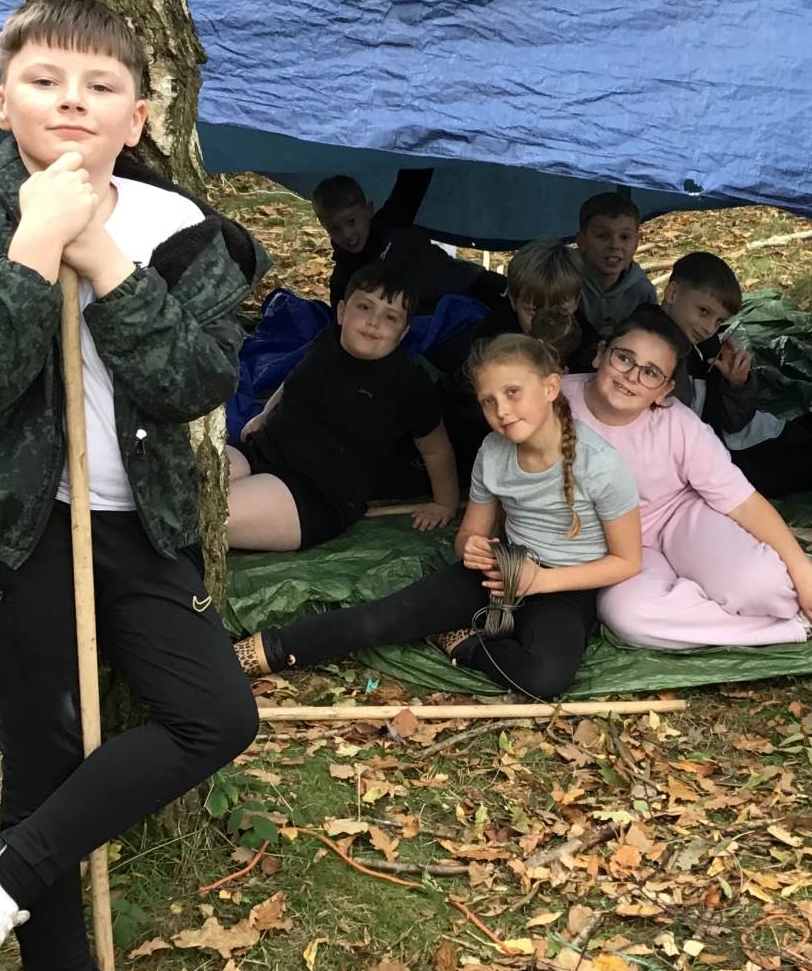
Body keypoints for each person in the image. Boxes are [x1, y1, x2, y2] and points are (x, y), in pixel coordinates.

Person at [0, 0, 263, 971]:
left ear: (138, 116)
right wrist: (33, 243)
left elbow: (197, 378)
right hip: (14, 529)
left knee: (215, 715)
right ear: (1, 102)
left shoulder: (183, 228)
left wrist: (102, 256)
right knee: (47, 748)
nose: (72, 100)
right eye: (46, 80)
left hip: (141, 523)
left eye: (101, 85)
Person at [235, 334, 640, 700]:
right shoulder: (492, 452)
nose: (501, 410)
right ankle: (261, 651)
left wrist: (543, 581)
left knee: (545, 678)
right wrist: (473, 548)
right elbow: (469, 536)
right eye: (488, 401)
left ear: (550, 387)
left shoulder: (600, 464)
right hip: (502, 569)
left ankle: (465, 644)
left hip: (564, 584)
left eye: (513, 393)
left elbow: (627, 560)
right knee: (382, 619)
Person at [567, 306, 812, 649]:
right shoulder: (553, 402)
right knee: (630, 617)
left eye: (651, 372)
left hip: (679, 518)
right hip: (619, 548)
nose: (632, 376)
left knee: (762, 588)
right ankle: (796, 623)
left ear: (665, 390)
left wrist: (803, 575)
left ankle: (798, 574)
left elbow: (745, 504)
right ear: (600, 354)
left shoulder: (679, 425)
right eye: (624, 358)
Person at [229, 262, 458, 550]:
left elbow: (436, 449)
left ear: (402, 333)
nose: (374, 322)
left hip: (313, 494)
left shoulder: (408, 383)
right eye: (364, 307)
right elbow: (294, 379)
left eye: (390, 317)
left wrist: (445, 503)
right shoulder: (327, 340)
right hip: (261, 451)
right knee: (184, 484)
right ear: (341, 312)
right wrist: (264, 414)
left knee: (204, 514)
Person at [662, 251, 812, 496]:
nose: (708, 328)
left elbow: (733, 417)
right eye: (704, 311)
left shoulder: (699, 344)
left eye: (719, 322)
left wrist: (736, 383)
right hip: (730, 458)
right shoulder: (658, 354)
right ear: (672, 293)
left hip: (743, 434)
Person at [428, 239, 583, 480]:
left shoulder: (584, 340)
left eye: (558, 310)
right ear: (513, 300)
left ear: (576, 301)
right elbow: (469, 401)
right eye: (533, 311)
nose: (545, 322)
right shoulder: (494, 338)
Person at [315, 169, 507, 316]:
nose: (347, 234)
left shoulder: (393, 220)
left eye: (351, 221)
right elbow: (343, 324)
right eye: (335, 229)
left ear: (368, 210)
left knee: (513, 294)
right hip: (430, 321)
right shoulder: (343, 279)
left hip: (464, 283)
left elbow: (416, 173)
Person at [569, 192, 655, 368]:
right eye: (603, 236)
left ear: (636, 243)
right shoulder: (564, 278)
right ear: (581, 241)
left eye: (624, 237)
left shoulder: (642, 292)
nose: (615, 245)